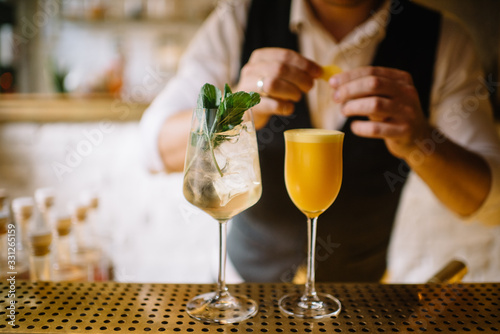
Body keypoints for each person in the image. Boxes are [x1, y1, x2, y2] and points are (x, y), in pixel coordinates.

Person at [140, 0, 500, 282]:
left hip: (360, 302)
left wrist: (420, 139)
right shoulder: (239, 17)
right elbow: (153, 147)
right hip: (244, 294)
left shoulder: (443, 38)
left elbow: (492, 204)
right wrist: (238, 103)